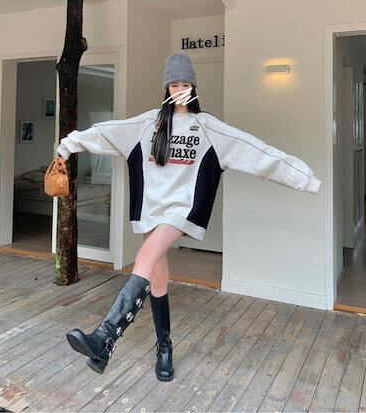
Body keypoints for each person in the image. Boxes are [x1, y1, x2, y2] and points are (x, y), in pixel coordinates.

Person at [54, 52, 322, 381]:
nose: (179, 89)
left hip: (181, 211)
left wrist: (305, 179)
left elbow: (256, 151)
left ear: (193, 87)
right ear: (166, 87)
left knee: (144, 258)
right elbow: (105, 132)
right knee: (158, 280)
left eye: (185, 84)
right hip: (151, 210)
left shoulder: (208, 128)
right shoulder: (149, 124)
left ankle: (104, 338)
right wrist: (68, 145)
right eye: (174, 84)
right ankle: (164, 349)